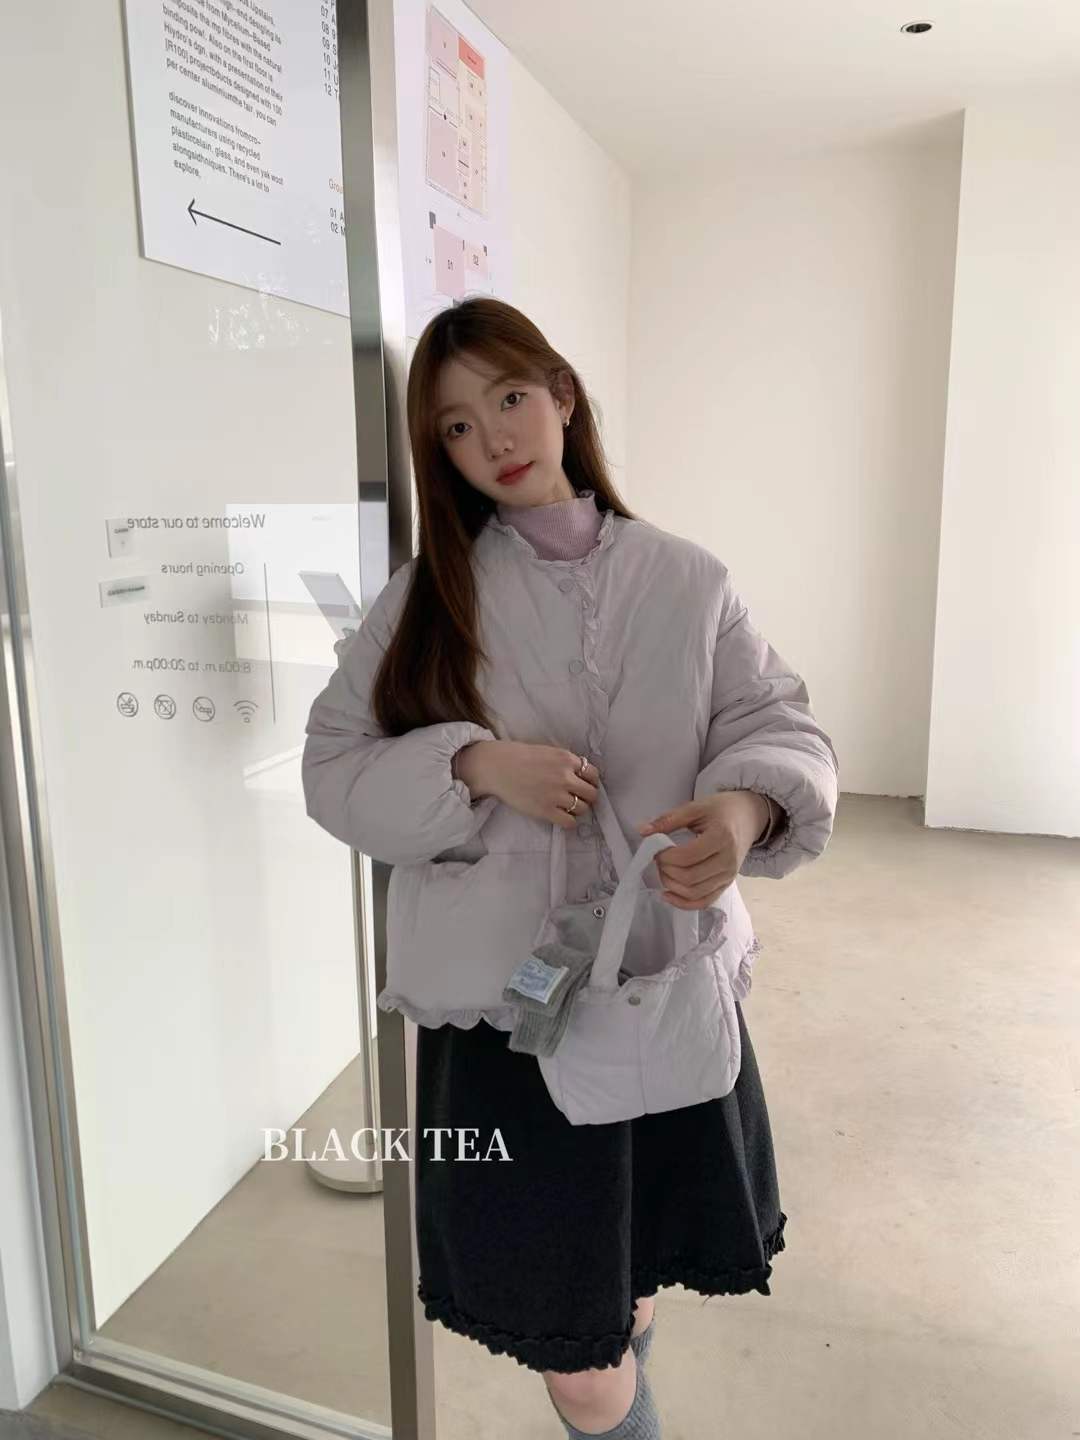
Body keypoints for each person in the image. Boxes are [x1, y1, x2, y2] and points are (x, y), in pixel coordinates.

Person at [302, 296, 839, 1439]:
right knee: (582, 1361)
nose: (493, 437)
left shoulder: (687, 579)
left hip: (663, 988)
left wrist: (746, 810)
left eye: (509, 398)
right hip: (510, 1023)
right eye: (456, 426)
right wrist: (474, 765)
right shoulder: (425, 603)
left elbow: (777, 721)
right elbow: (332, 770)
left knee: (631, 1285)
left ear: (562, 395)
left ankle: (627, 1334)